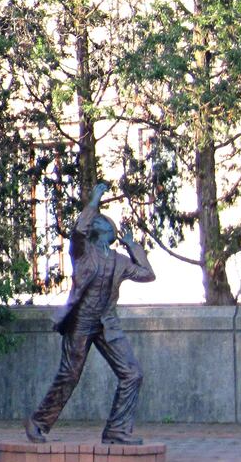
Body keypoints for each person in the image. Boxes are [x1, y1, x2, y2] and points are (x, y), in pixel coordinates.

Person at [26, 182, 155, 445]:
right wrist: (94, 199)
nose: (111, 228)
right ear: (97, 231)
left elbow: (147, 274)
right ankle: (38, 422)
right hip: (81, 322)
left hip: (107, 324)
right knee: (70, 374)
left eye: (109, 224)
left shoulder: (120, 260)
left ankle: (117, 430)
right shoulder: (83, 253)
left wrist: (133, 247)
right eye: (104, 224)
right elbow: (77, 230)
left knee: (132, 374)